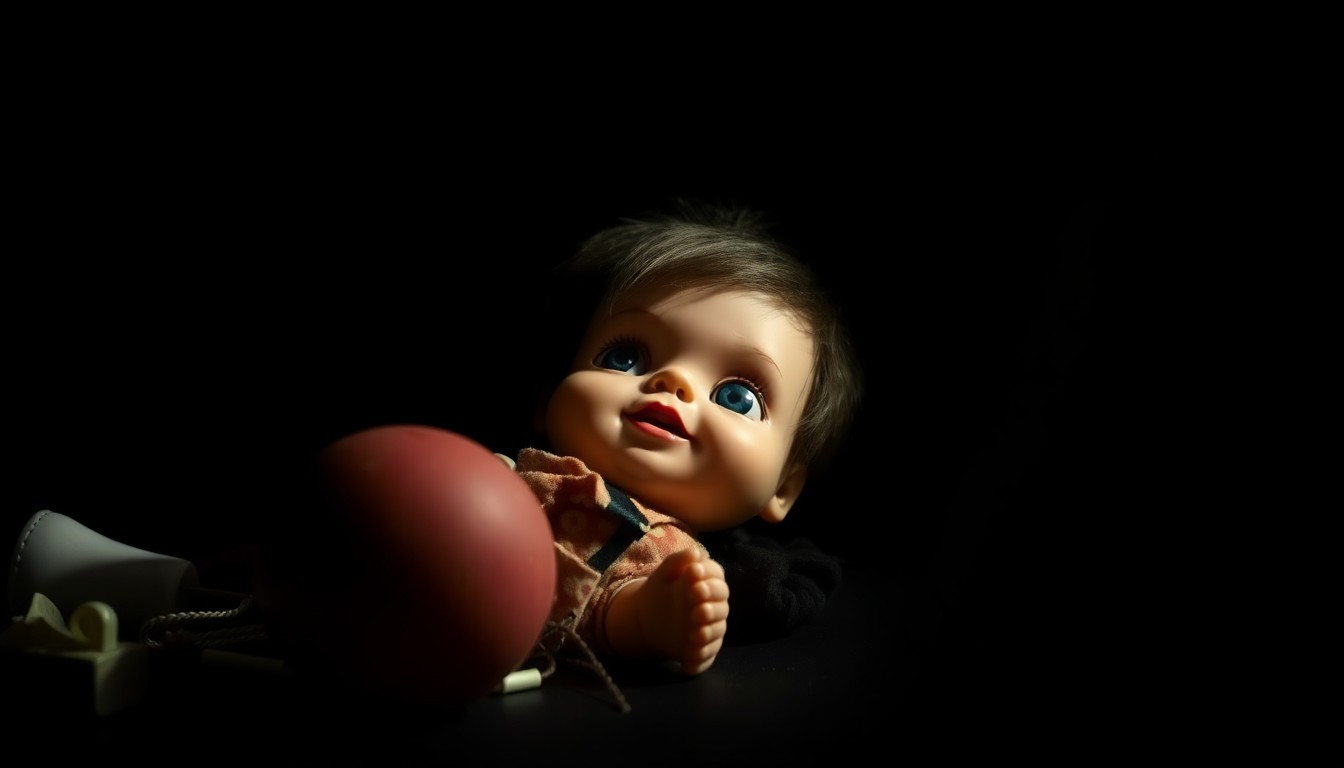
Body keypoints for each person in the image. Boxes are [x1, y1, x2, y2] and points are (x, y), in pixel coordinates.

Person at [502, 198, 864, 677]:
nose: (674, 382)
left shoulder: (672, 562)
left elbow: (604, 605)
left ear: (782, 487)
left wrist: (652, 616)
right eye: (625, 358)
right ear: (548, 402)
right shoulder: (517, 476)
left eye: (737, 396)